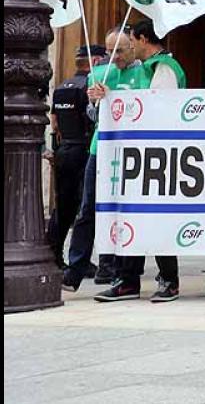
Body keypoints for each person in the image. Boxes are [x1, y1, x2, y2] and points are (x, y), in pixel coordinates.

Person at [96, 19, 187, 303]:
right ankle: (127, 279)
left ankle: (169, 280)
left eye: (132, 41)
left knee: (158, 217)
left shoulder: (165, 68)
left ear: (144, 39)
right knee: (130, 215)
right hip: (135, 152)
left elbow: (159, 108)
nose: (130, 46)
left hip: (158, 153)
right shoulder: (144, 69)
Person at [62, 27, 144, 292]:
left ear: (132, 47)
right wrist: (95, 103)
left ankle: (120, 271)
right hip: (101, 149)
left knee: (127, 211)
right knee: (87, 210)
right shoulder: (98, 73)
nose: (113, 57)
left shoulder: (144, 73)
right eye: (109, 51)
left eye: (119, 51)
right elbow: (92, 116)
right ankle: (74, 271)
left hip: (133, 151)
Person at [48, 44, 105, 269]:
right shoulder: (89, 87)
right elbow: (95, 118)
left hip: (65, 150)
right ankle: (82, 262)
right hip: (84, 150)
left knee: (63, 205)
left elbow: (54, 121)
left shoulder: (62, 87)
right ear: (97, 61)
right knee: (85, 207)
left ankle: (54, 251)